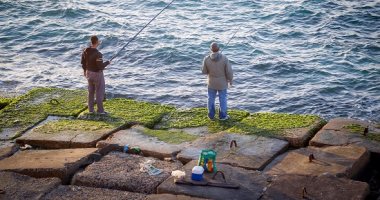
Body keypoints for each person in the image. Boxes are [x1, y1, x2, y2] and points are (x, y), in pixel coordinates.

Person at [202, 42, 233, 120]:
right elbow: (229, 72)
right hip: (222, 83)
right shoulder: (224, 58)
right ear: (219, 49)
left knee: (210, 98)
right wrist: (230, 80)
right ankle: (222, 116)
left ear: (210, 49)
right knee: (223, 98)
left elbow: (204, 71)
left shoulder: (206, 59)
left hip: (211, 83)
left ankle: (211, 115)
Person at [81, 35, 110, 114]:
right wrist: (107, 62)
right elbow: (100, 66)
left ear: (91, 42)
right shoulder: (98, 54)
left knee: (90, 92)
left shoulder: (85, 51)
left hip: (88, 73)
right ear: (97, 42)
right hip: (97, 75)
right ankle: (100, 111)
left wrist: (84, 71)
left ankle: (91, 110)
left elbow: (83, 63)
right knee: (99, 92)